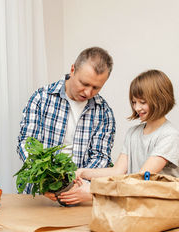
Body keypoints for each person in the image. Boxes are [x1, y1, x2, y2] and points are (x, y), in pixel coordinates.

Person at [58, 69, 179, 205]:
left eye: (142, 102)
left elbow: (140, 178)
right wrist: (82, 172)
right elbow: (117, 171)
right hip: (137, 204)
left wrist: (94, 191)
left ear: (160, 99)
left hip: (161, 207)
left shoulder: (169, 136)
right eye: (134, 102)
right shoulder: (133, 133)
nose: (137, 108)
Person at [17, 47, 116, 195]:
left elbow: (100, 157)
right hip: (38, 193)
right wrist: (46, 179)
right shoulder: (41, 98)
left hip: (78, 193)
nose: (88, 92)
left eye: (96, 87)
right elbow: (27, 143)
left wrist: (77, 185)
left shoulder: (104, 112)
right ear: (72, 70)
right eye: (84, 83)